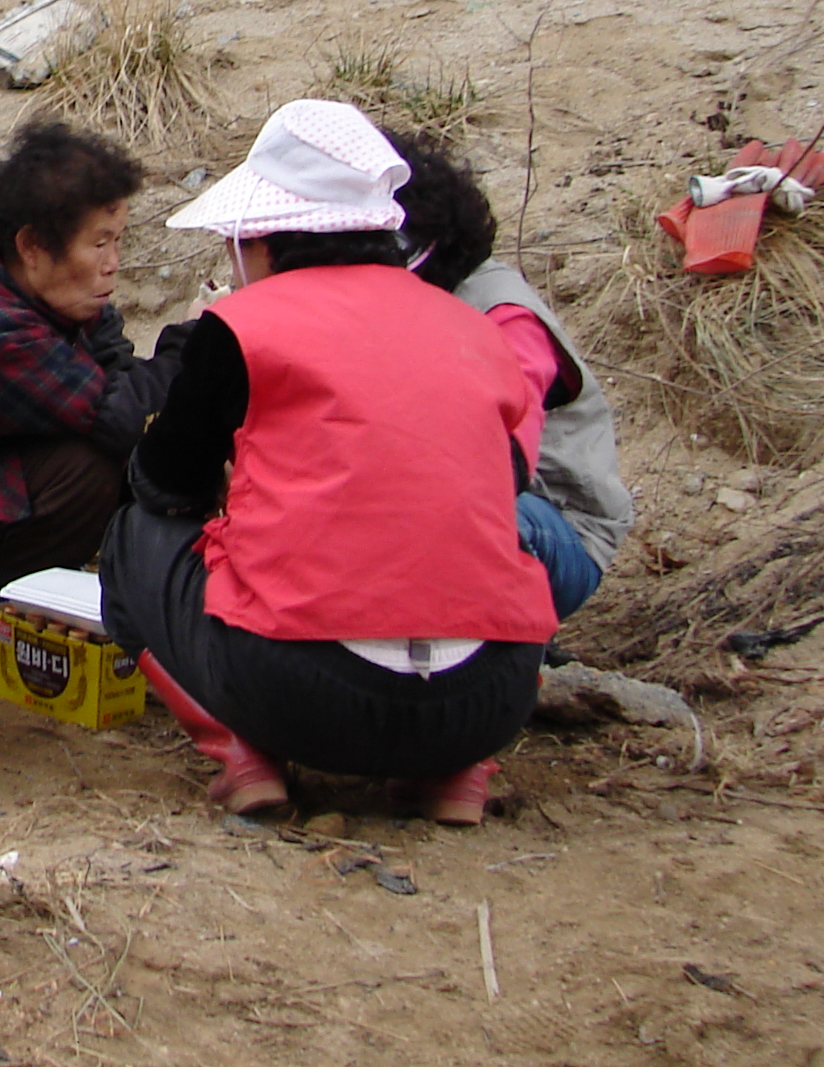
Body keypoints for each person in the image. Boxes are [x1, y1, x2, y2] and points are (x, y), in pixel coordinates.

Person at [98, 101, 557, 827]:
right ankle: (454, 774)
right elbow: (504, 490)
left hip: (299, 693)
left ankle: (244, 756)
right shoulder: (474, 331)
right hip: (490, 697)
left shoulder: (245, 327)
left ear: (263, 240)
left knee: (132, 536)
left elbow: (165, 482)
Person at [0, 121, 191, 623]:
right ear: (33, 246)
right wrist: (191, 346)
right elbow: (121, 417)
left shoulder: (2, 265)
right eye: (99, 244)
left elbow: (110, 349)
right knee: (90, 468)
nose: (114, 263)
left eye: (118, 241)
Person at [387, 131, 634, 621]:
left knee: (428, 525)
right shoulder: (409, 301)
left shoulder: (504, 316)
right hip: (459, 501)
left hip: (554, 521)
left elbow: (498, 465)